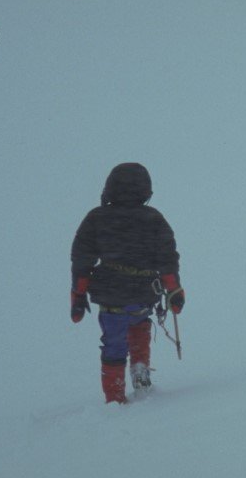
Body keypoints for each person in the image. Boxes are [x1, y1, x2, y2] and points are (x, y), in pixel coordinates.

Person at [70, 163, 185, 403]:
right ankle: (140, 374)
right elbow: (167, 258)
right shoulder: (153, 218)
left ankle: (114, 398)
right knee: (139, 327)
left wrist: (78, 295)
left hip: (111, 295)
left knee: (113, 343)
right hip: (143, 293)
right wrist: (174, 290)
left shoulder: (96, 218)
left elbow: (82, 259)